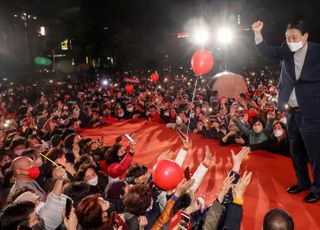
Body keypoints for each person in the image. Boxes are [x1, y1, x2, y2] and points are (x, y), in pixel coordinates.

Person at [253, 19, 320, 203]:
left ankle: (318, 188)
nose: (291, 41)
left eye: (294, 37)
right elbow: (266, 52)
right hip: (291, 112)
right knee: (296, 151)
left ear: (305, 37)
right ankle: (303, 182)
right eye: (288, 38)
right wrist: (258, 33)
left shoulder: (317, 51)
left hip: (312, 111)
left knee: (315, 154)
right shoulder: (285, 49)